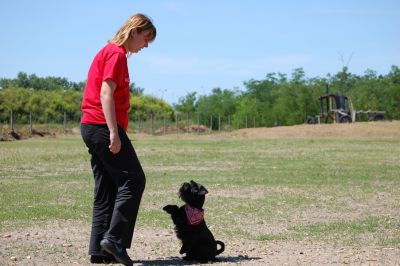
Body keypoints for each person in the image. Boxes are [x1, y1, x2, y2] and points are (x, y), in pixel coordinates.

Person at [80, 13, 156, 265]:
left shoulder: (111, 52)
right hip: (102, 126)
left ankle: (99, 251)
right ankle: (114, 240)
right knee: (133, 180)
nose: (145, 46)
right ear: (134, 31)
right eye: (146, 39)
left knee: (107, 187)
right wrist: (114, 131)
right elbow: (106, 93)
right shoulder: (116, 54)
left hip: (92, 126)